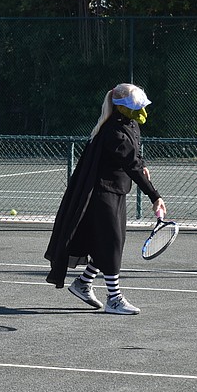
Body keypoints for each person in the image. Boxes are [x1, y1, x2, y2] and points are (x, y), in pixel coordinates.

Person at [44, 83, 166, 315]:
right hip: (101, 193)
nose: (142, 111)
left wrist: (144, 167)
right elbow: (131, 163)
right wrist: (155, 196)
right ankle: (114, 298)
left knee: (109, 243)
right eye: (137, 107)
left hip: (116, 191)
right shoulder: (113, 132)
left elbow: (136, 157)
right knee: (112, 243)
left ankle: (83, 283)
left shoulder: (130, 124)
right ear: (122, 108)